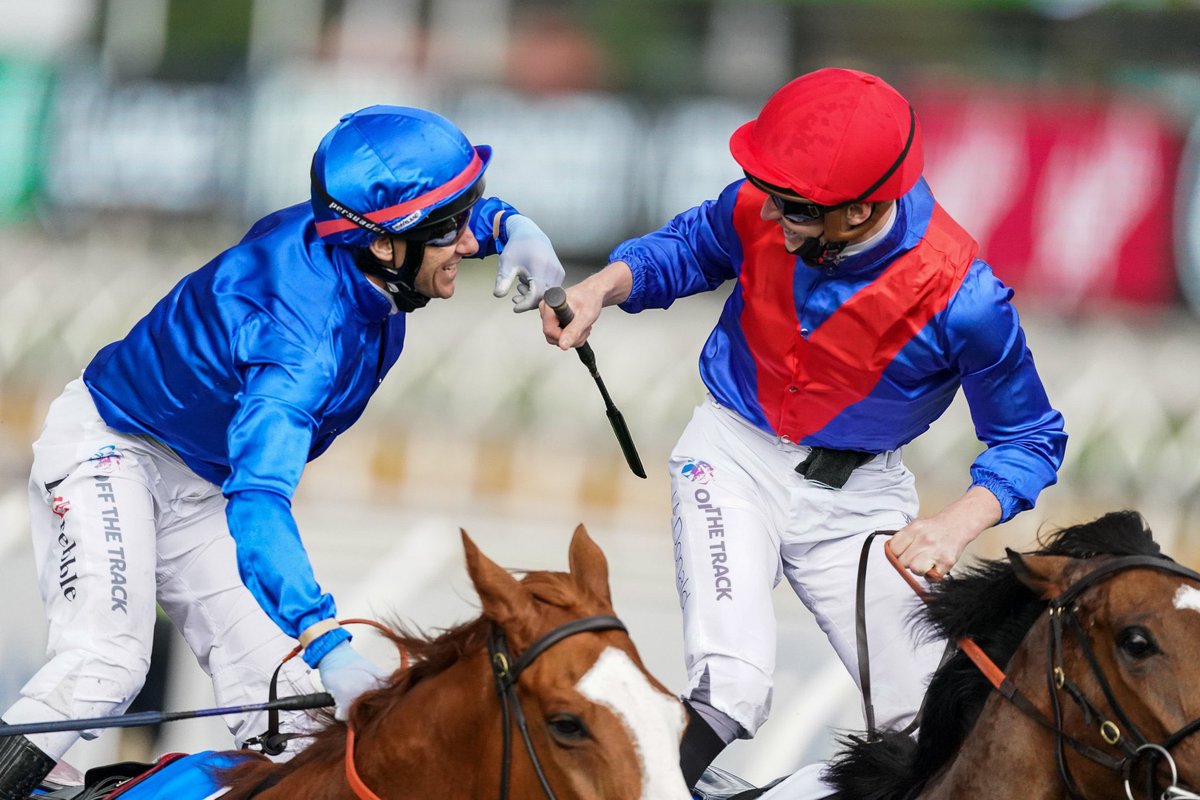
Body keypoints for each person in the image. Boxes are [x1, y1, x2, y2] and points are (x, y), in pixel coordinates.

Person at [0, 104, 565, 799]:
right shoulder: (300, 348)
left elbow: (441, 216)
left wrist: (512, 224)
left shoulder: (360, 243)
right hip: (111, 451)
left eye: (467, 214)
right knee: (103, 667)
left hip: (198, 484)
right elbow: (260, 506)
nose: (466, 243)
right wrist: (325, 638)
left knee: (299, 717)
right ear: (384, 247)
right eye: (449, 229)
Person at [540, 68, 1066, 797]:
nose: (770, 216)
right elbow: (690, 249)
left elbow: (1030, 438)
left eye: (794, 209)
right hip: (732, 457)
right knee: (735, 686)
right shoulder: (767, 204)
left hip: (859, 498)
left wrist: (954, 525)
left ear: (857, 211)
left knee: (939, 725)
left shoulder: (964, 297)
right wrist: (601, 287)